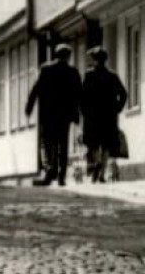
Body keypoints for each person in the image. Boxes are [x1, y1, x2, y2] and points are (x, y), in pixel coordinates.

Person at [25, 43, 81, 186]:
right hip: (65, 116)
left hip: (48, 114)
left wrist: (29, 107)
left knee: (48, 143)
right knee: (63, 145)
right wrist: (77, 114)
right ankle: (61, 176)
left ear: (56, 55)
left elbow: (35, 89)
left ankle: (50, 171)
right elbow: (78, 95)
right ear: (68, 56)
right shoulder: (73, 72)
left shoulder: (46, 69)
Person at [80, 47, 128, 184]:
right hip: (108, 115)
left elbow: (82, 97)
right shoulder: (112, 76)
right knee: (106, 144)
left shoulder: (89, 76)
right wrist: (117, 108)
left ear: (95, 60)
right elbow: (123, 94)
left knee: (94, 143)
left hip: (93, 116)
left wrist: (84, 111)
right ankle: (101, 173)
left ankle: (97, 163)